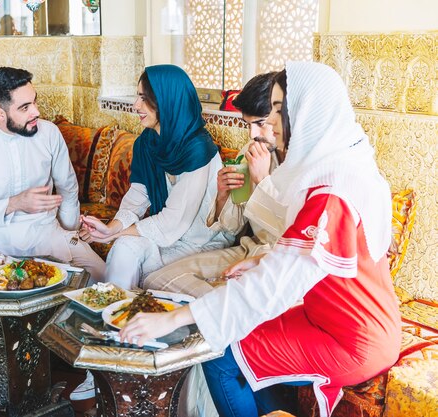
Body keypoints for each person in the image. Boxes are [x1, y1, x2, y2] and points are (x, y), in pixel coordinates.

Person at [119, 62, 401, 417]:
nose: (268, 127)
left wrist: (174, 319)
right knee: (239, 340)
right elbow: (306, 254)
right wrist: (261, 258)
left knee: (218, 350)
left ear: (310, 112)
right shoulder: (345, 163)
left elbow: (274, 284)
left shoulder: (331, 192)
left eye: (280, 112)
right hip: (348, 319)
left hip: (351, 337)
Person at [0, 67, 106, 351]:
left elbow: (68, 188)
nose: (36, 112)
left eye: (35, 101)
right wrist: (14, 203)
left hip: (47, 232)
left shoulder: (50, 134)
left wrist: (72, 230)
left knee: (108, 282)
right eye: (24, 107)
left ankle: (80, 362)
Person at [79, 64, 231, 291]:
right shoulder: (147, 142)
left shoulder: (198, 149)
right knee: (125, 247)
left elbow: (174, 220)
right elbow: (137, 197)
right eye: (137, 96)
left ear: (167, 102)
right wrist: (112, 228)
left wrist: (111, 233)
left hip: (200, 240)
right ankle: (110, 315)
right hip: (168, 235)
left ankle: (122, 313)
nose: (136, 105)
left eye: (144, 98)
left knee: (133, 255)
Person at [143, 71, 287, 299]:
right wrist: (222, 195)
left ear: (283, 115)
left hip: (280, 261)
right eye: (248, 125)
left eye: (260, 123)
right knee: (155, 280)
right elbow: (233, 226)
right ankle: (217, 307)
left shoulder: (306, 166)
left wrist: (262, 181)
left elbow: (296, 236)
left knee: (240, 299)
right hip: (246, 249)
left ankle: (220, 308)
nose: (252, 134)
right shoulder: (251, 152)